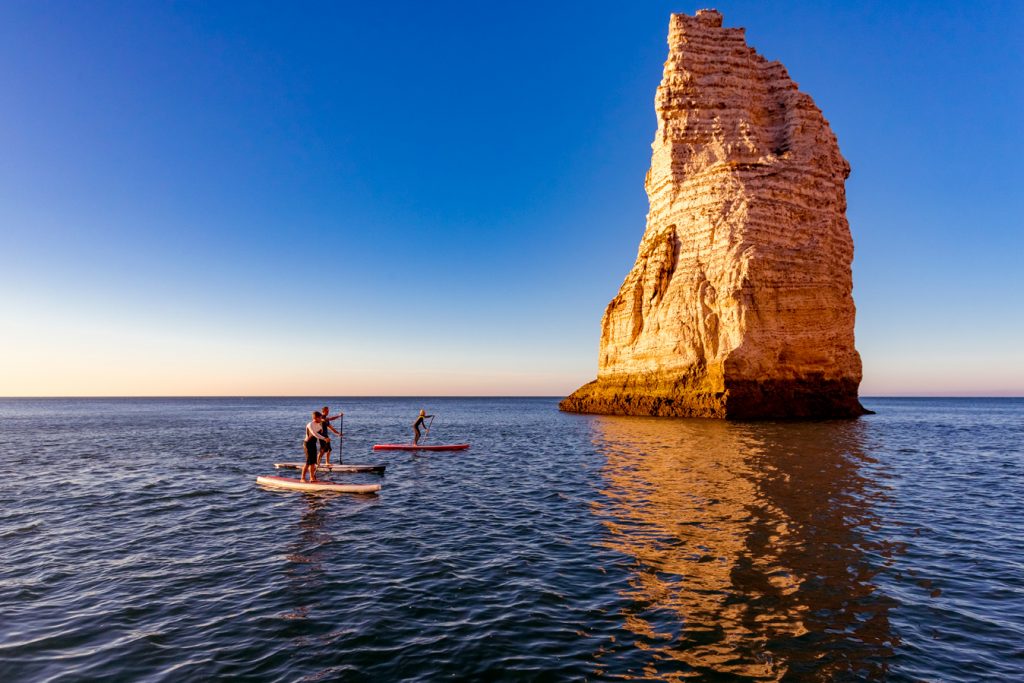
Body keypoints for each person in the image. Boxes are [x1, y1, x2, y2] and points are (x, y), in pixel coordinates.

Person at [300, 412, 331, 483]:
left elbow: (320, 436)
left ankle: (312, 478)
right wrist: (324, 438)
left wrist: (324, 443)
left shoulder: (319, 426)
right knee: (308, 462)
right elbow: (314, 434)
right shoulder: (310, 424)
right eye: (320, 418)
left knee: (313, 462)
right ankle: (302, 478)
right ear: (315, 418)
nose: (321, 419)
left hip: (313, 444)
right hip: (307, 444)